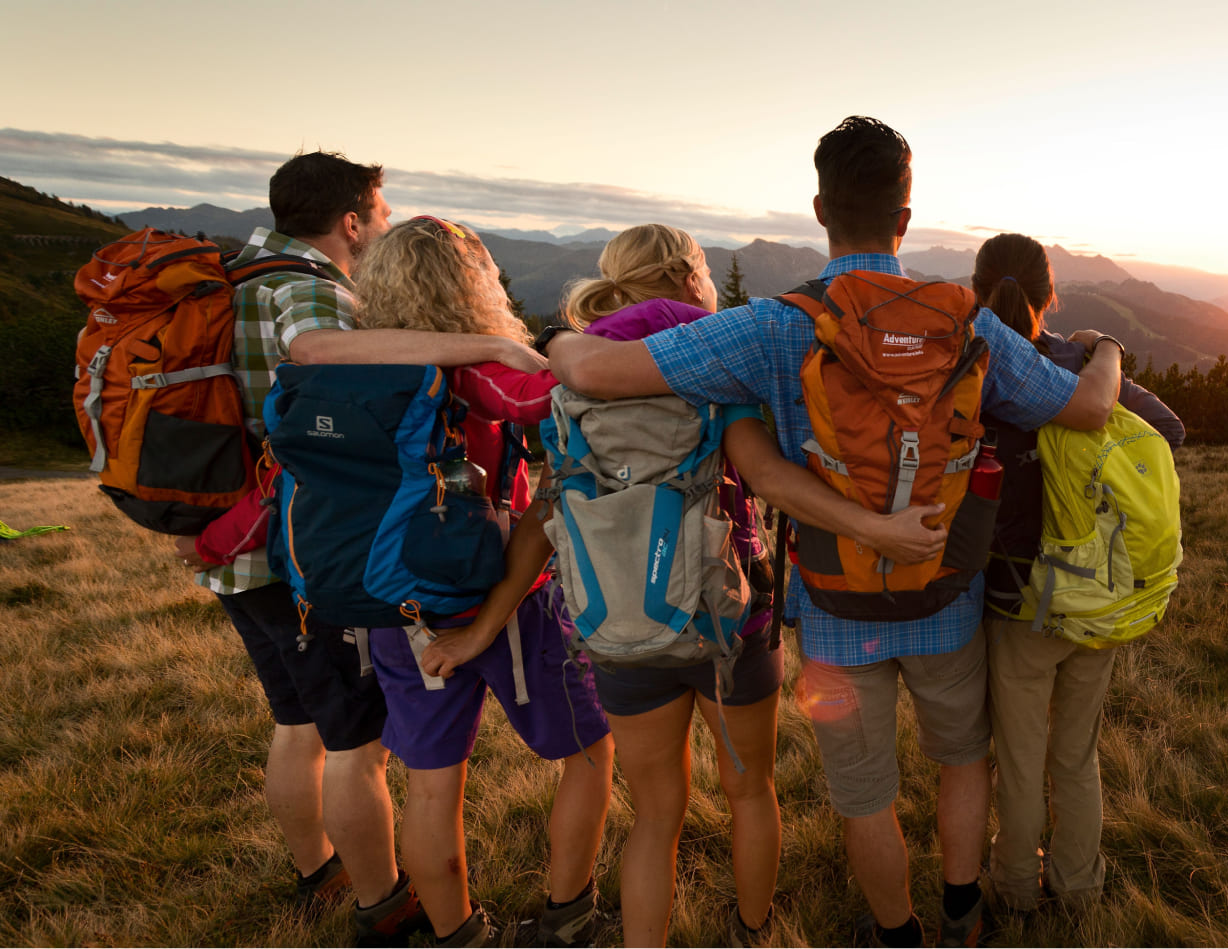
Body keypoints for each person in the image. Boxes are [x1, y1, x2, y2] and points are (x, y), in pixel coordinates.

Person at [543, 116, 1126, 948]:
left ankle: (895, 932)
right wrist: (1106, 348)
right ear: (906, 213)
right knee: (963, 760)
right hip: (944, 590)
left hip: (834, 606)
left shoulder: (776, 324)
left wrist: (557, 338)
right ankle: (961, 919)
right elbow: (1091, 405)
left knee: (863, 794)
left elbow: (595, 371)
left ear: (820, 209)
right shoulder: (966, 321)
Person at [438, 222, 948, 948]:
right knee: (750, 791)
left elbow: (545, 514)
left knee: (655, 813)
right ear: (685, 277)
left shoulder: (575, 377)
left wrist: (484, 626)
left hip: (617, 623)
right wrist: (879, 532)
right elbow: (769, 477)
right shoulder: (708, 365)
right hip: (726, 619)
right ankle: (750, 932)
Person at [170, 152, 546, 946]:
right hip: (311, 552)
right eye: (380, 213)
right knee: (354, 741)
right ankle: (384, 906)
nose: (383, 226)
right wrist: (488, 346)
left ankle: (318, 870)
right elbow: (315, 354)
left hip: (235, 542)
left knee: (297, 717)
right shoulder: (307, 289)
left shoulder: (238, 279)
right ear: (351, 221)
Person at [341, 215, 616, 948]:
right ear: (472, 284)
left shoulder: (354, 366)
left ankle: (457, 933)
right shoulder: (477, 370)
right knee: (589, 751)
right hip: (503, 596)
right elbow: (558, 399)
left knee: (431, 781)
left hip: (393, 601)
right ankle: (567, 915)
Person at [970, 233, 1183, 915]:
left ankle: (1013, 888)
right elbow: (1167, 430)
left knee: (1020, 758)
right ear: (1049, 294)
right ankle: (1080, 885)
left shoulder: (970, 368)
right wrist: (1104, 350)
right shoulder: (1074, 365)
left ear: (977, 292)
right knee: (1076, 754)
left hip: (1014, 601)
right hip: (1095, 595)